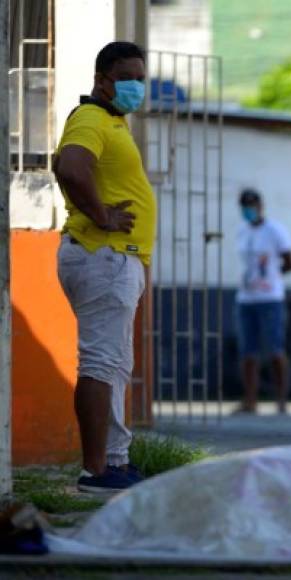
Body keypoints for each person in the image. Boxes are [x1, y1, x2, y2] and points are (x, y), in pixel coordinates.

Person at [53, 41, 153, 493]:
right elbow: (70, 167)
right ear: (102, 80)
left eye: (140, 78)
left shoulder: (113, 122)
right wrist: (103, 215)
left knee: (114, 365)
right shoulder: (91, 118)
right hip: (102, 254)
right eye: (128, 77)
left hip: (115, 259)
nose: (136, 86)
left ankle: (114, 461)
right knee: (99, 362)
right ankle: (95, 470)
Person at [236, 189, 291, 414]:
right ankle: (250, 400)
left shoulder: (275, 231)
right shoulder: (241, 231)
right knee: (247, 352)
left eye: (252, 205)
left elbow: (290, 262)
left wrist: (271, 277)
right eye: (244, 206)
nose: (248, 210)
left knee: (275, 349)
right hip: (245, 297)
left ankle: (281, 399)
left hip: (271, 298)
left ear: (261, 206)